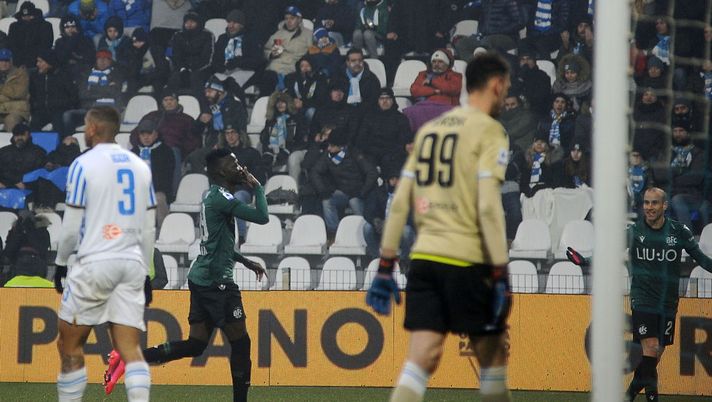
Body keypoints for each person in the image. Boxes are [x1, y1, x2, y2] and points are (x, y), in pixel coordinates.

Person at [366, 52, 513, 402]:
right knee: (493, 359)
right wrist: (500, 273)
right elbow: (489, 207)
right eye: (505, 87)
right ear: (495, 85)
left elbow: (400, 202)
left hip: (425, 260)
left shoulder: (431, 132)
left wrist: (386, 266)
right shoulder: (491, 131)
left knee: (420, 360)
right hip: (468, 261)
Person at [103, 148, 269, 402]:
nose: (240, 167)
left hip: (202, 277)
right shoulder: (222, 197)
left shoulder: (213, 196)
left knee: (196, 344)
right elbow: (262, 217)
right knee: (241, 343)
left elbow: (216, 243)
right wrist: (256, 186)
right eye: (233, 163)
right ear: (219, 170)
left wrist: (244, 260)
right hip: (216, 282)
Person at [567, 187, 712, 402]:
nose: (649, 207)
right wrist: (585, 261)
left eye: (654, 203)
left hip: (668, 301)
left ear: (664, 206)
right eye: (646, 203)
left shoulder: (679, 231)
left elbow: (701, 258)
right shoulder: (634, 231)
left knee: (654, 355)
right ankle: (652, 397)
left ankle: (629, 394)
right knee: (651, 347)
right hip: (642, 299)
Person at [53, 106, 156, 402]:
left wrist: (61, 264)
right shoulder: (140, 166)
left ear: (94, 128)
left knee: (70, 345)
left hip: (95, 261)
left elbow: (72, 226)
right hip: (132, 264)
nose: (85, 131)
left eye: (86, 125)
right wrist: (147, 274)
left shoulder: (84, 164)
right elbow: (149, 230)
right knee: (130, 348)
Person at [131, 119, 175, 229]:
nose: (146, 137)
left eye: (149, 134)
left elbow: (167, 177)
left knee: (158, 199)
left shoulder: (165, 151)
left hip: (158, 190)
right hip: (136, 190)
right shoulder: (133, 152)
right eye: (143, 134)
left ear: (156, 134)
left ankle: (163, 232)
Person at [29, 48, 77, 132]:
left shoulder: (63, 76)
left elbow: (73, 95)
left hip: (59, 111)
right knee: (33, 124)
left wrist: (62, 105)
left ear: (49, 62)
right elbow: (32, 95)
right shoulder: (35, 76)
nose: (37, 64)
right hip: (41, 111)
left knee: (59, 125)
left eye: (40, 62)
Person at [1, 210, 52, 288]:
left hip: (37, 267)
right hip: (17, 267)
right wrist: (19, 229)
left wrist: (29, 229)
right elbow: (9, 251)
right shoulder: (16, 231)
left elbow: (41, 250)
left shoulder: (43, 232)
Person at [0, 48, 30, 132]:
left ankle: (11, 144)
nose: (4, 63)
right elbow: (12, 92)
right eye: (1, 61)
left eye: (6, 61)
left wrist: (1, 88)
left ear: (11, 61)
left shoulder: (21, 73)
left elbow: (19, 93)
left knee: (11, 120)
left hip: (16, 110)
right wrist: (9, 93)